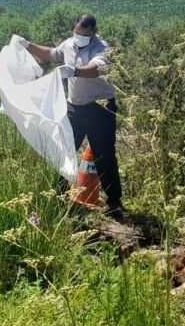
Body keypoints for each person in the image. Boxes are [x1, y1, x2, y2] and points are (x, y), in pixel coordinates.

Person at [17, 14, 124, 219]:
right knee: (63, 149)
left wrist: (75, 71)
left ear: (92, 32)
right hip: (74, 108)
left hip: (100, 108)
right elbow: (51, 54)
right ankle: (58, 196)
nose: (78, 37)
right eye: (76, 32)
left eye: (83, 34)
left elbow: (95, 69)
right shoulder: (69, 44)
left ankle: (114, 202)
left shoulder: (101, 47)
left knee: (104, 155)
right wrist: (27, 44)